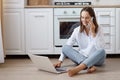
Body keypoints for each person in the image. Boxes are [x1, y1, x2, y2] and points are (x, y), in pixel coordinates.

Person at [53, 7, 106, 77]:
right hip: (81, 57)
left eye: (87, 18)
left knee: (102, 51)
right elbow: (68, 45)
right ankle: (89, 66)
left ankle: (78, 69)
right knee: (65, 47)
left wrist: (93, 33)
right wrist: (60, 61)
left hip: (96, 59)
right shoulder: (77, 30)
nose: (84, 20)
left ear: (92, 18)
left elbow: (100, 47)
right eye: (82, 17)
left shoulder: (99, 29)